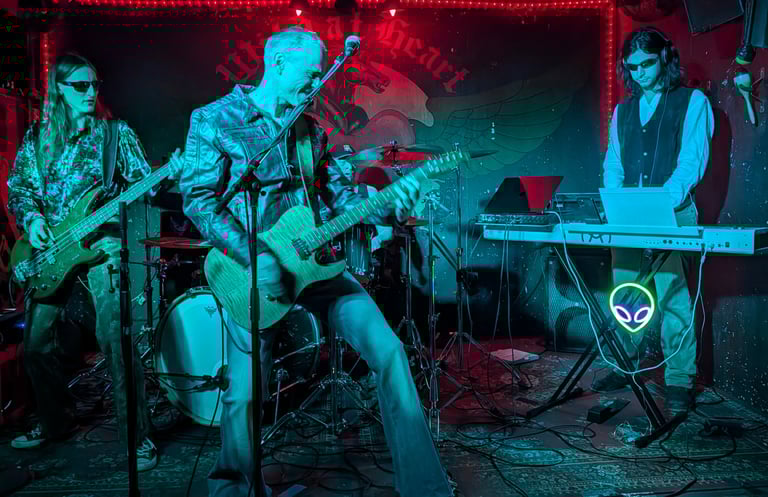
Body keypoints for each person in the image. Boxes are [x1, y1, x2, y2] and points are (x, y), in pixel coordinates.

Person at [177, 27, 460, 497]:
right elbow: (199, 200)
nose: (315, 86)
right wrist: (255, 254)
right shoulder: (215, 119)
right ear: (278, 64)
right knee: (245, 394)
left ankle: (425, 489)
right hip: (251, 271)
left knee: (389, 352)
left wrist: (389, 203)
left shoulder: (311, 131)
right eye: (310, 75)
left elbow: (340, 202)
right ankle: (233, 490)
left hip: (318, 266)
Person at [7, 53, 161, 471]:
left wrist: (150, 186)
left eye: (94, 85)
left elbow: (145, 184)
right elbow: (20, 188)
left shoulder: (114, 135)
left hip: (101, 245)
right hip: (50, 252)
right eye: (80, 86)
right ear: (59, 89)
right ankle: (55, 422)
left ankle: (138, 439)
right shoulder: (38, 138)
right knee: (35, 347)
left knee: (116, 341)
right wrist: (33, 220)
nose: (90, 92)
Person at [597, 28, 715, 414]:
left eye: (647, 64)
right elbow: (614, 162)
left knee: (673, 296)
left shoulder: (692, 102)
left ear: (665, 58)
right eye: (632, 67)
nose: (640, 73)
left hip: (672, 211)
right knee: (625, 292)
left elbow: (692, 161)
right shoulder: (623, 110)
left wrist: (663, 201)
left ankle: (679, 379)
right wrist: (615, 201)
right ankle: (625, 362)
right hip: (629, 213)